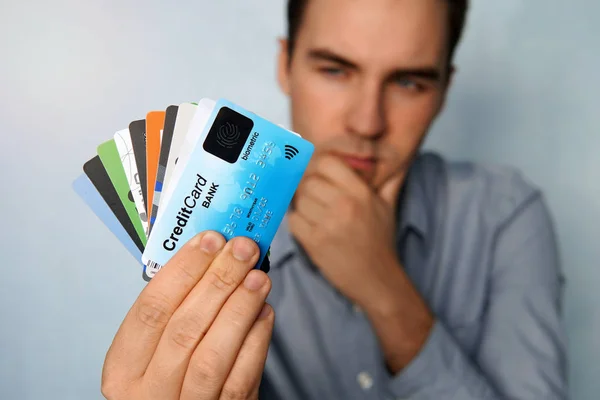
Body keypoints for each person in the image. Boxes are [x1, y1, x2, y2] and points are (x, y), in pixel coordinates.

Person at [101, 0, 568, 398]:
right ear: (285, 66)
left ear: (445, 89)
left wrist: (382, 286)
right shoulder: (205, 223)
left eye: (409, 83)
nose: (367, 123)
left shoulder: (505, 213)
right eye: (334, 70)